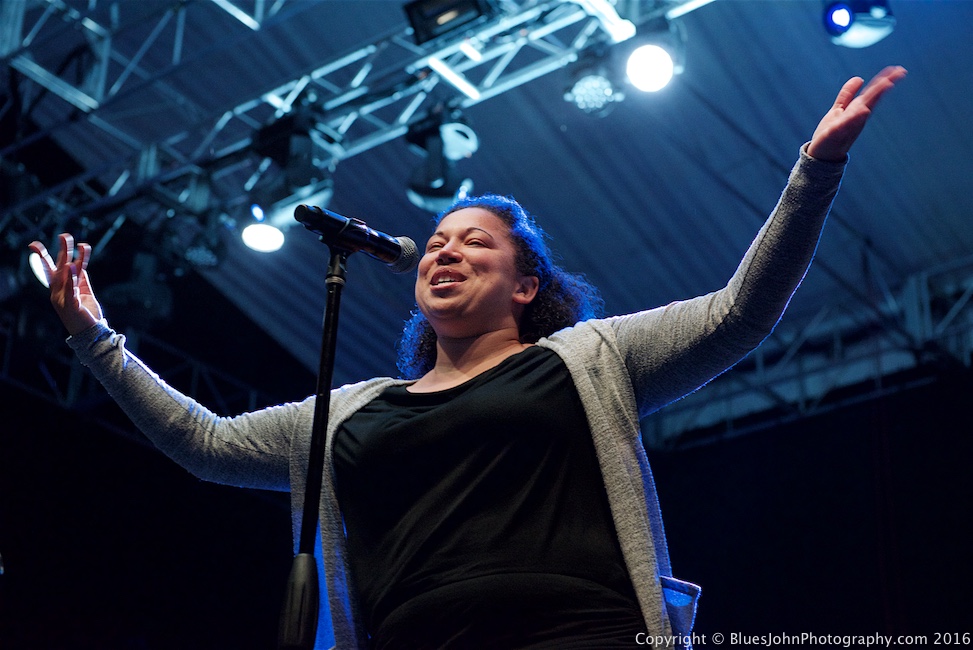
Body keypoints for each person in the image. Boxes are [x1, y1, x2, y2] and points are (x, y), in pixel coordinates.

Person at [30, 66, 906, 650]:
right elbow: (207, 443)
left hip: (583, 631)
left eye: (475, 243)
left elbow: (738, 313)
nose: (443, 252)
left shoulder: (584, 359)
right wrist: (93, 337)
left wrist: (813, 171)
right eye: (437, 243)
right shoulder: (353, 410)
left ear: (526, 285)